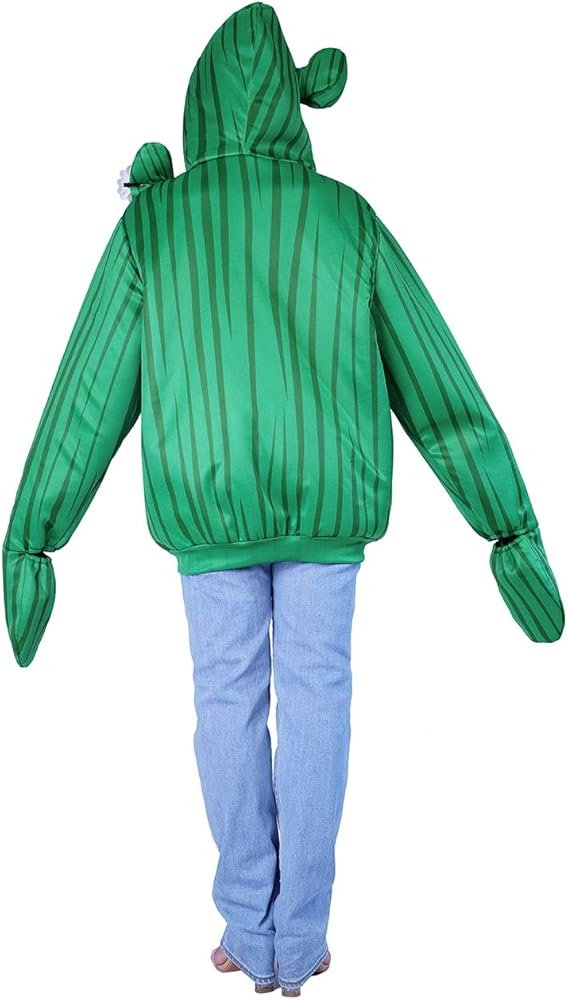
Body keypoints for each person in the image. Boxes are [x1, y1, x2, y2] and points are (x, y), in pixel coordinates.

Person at [3, 2, 564, 995]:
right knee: (318, 704)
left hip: (207, 508)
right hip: (327, 506)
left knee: (224, 703)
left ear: (198, 103)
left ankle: (246, 929)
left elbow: (87, 398)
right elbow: (439, 385)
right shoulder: (346, 216)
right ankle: (299, 943)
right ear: (291, 107)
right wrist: (505, 527)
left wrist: (35, 536)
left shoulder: (154, 225)